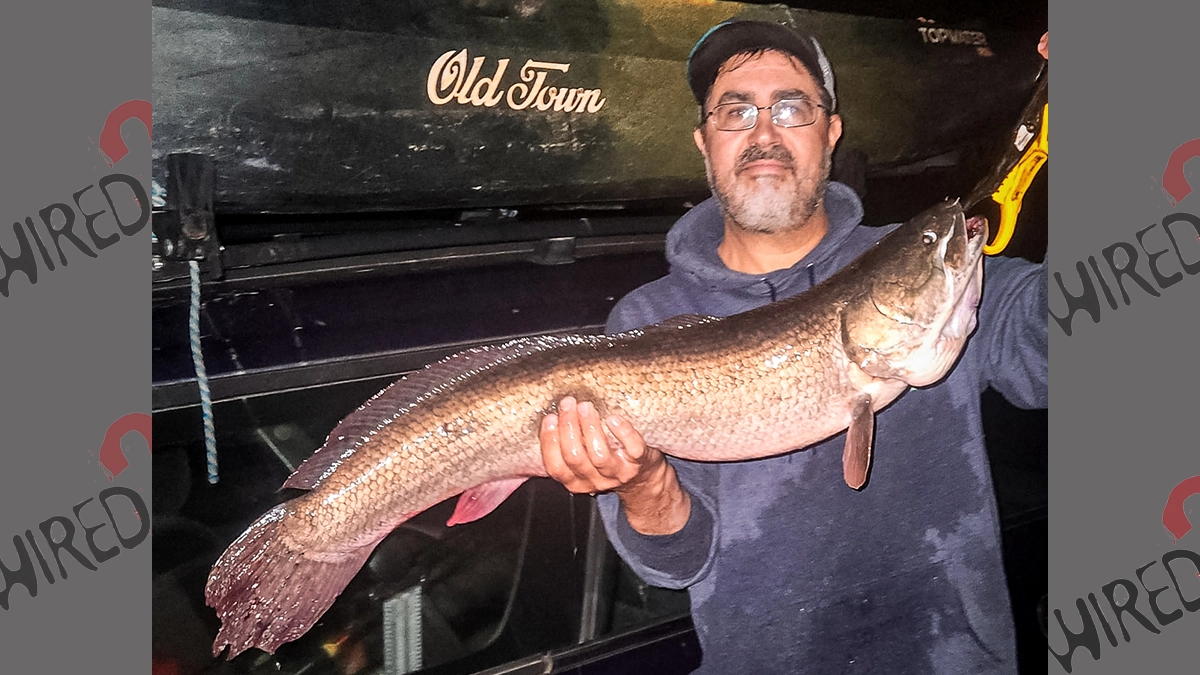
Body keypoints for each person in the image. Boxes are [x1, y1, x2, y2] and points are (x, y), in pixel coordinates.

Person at [539, 20, 1048, 675]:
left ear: (830, 133)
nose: (763, 132)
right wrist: (642, 483)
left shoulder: (928, 275)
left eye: (792, 106)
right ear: (704, 142)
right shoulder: (650, 318)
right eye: (735, 110)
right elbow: (675, 562)